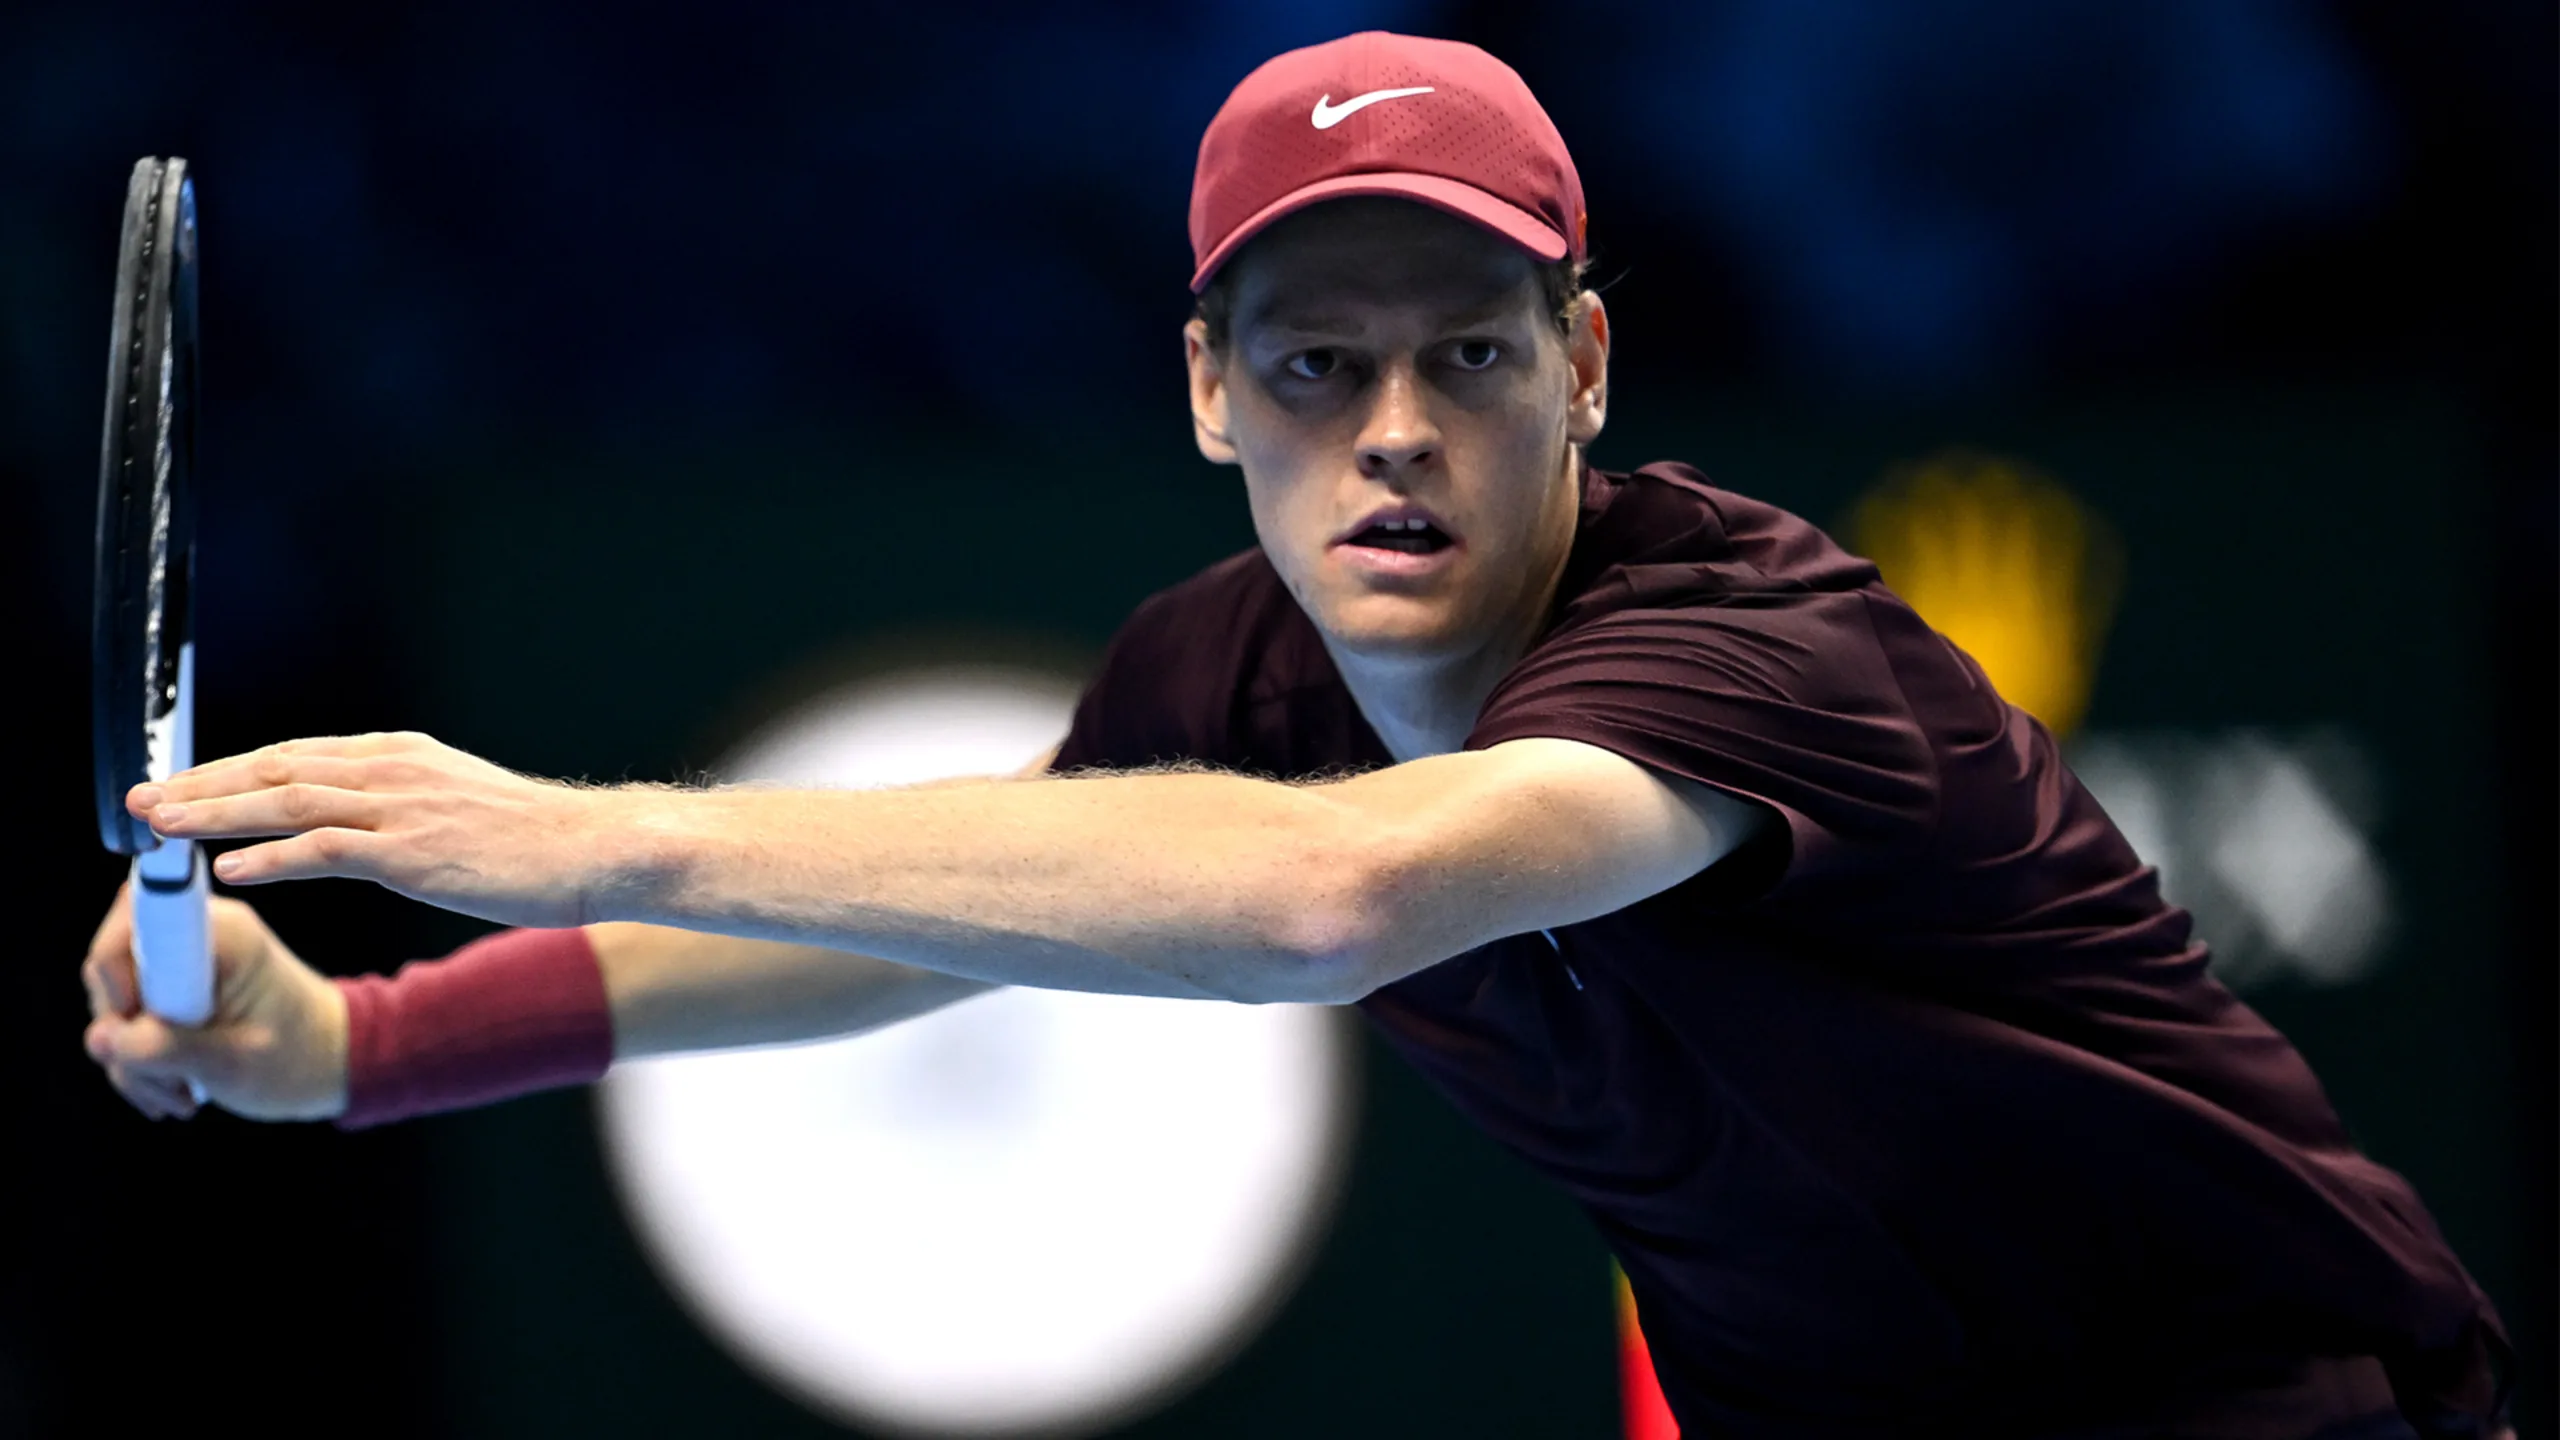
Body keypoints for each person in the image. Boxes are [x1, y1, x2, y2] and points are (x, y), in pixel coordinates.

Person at [78, 31, 2509, 1440]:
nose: (1393, 428)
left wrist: (586, 828)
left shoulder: (1751, 655)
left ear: (1581, 366)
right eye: (1313, 363)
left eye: (1466, 353)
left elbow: (1329, 895)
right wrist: (364, 1046)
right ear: (1205, 392)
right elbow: (923, 927)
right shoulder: (1223, 677)